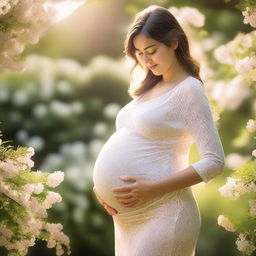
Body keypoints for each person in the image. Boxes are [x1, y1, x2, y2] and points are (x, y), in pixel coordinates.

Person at [93, 5, 225, 256]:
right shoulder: (147, 90)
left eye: (152, 51)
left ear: (174, 42)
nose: (146, 60)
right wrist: (101, 190)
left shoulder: (188, 90)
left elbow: (214, 161)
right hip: (126, 221)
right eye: (140, 53)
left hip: (164, 213)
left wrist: (153, 188)